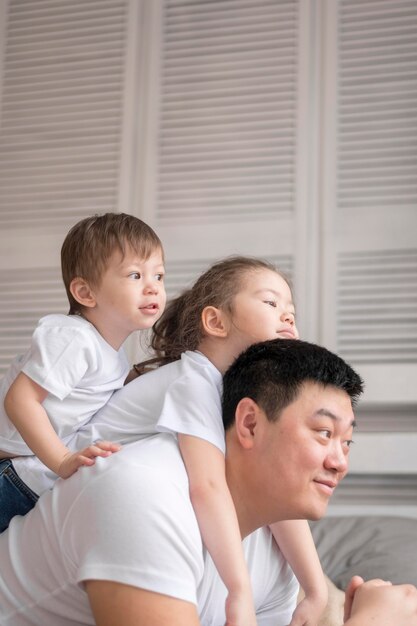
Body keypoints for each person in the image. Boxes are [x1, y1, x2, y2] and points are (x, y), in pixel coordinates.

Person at [1, 339, 417, 626]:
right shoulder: (143, 494)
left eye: (348, 441)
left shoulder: (277, 548)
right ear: (249, 423)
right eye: (324, 434)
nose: (340, 461)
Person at [3, 256, 326, 625]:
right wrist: (239, 591)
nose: (287, 316)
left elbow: (274, 493)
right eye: (271, 303)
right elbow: (207, 487)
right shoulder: (196, 381)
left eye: (291, 311)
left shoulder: (236, 399)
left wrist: (314, 590)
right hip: (27, 484)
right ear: (215, 322)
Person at [0, 212, 166, 533]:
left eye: (158, 276)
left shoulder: (113, 354)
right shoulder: (74, 338)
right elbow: (20, 401)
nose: (153, 288)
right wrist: (62, 460)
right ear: (86, 293)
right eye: (135, 275)